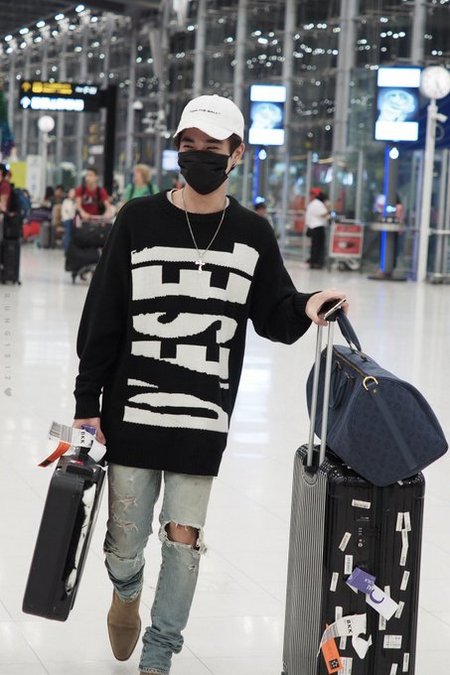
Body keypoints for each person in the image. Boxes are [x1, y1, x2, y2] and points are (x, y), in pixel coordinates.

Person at [72, 94, 348, 675]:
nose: (198, 155)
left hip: (203, 414)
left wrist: (309, 304)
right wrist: (85, 402)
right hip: (133, 409)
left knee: (184, 540)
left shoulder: (251, 233)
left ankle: (159, 654)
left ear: (236, 153)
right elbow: (103, 315)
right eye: (188, 145)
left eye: (211, 147)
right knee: (125, 541)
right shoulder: (137, 219)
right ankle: (126, 591)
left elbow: (274, 311)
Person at [305, 187, 329, 269]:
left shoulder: (311, 204)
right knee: (319, 247)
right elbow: (325, 215)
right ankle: (317, 263)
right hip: (318, 227)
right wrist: (328, 208)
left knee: (314, 246)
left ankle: (313, 262)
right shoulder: (318, 204)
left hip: (312, 227)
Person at [61, 188, 77, 254]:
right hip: (67, 220)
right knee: (68, 232)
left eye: (74, 193)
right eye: (71, 193)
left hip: (74, 220)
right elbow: (69, 212)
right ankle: (67, 250)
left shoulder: (76, 202)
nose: (73, 194)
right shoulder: (66, 201)